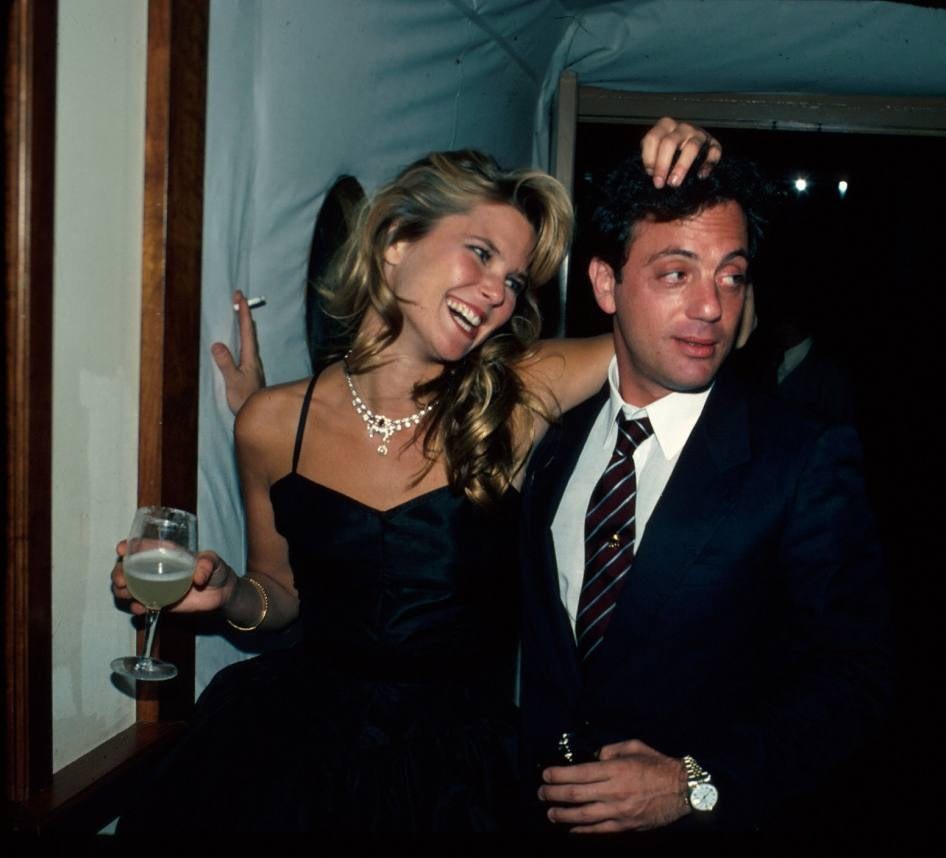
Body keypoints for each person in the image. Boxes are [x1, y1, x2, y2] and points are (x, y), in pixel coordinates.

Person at [110, 120, 729, 831]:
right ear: (397, 241)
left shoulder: (516, 396)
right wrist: (225, 593)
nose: (496, 293)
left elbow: (700, 336)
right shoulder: (272, 423)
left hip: (455, 773)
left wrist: (696, 188)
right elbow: (279, 594)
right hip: (293, 749)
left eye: (513, 280)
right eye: (480, 253)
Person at [518, 150, 892, 832]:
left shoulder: (799, 457)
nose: (712, 306)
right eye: (676, 273)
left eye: (731, 276)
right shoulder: (549, 436)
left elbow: (856, 680)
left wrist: (694, 781)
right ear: (606, 283)